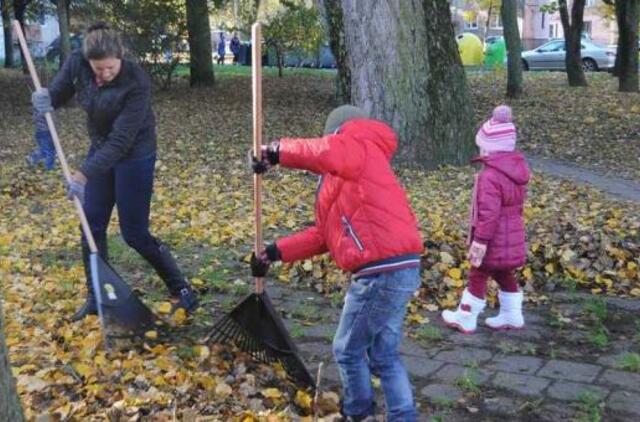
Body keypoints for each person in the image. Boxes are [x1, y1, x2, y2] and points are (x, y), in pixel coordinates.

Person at [250, 105, 424, 422]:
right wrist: (275, 252)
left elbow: (329, 151)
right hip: (400, 267)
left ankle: (358, 414)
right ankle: (403, 415)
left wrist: (277, 151)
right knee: (383, 353)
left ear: (337, 132)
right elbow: (323, 235)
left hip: (380, 271)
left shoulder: (357, 142)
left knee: (347, 349)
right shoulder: (350, 175)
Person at [31, 22, 199, 321]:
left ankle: (182, 289)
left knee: (134, 233)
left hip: (134, 154)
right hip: (100, 146)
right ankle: (96, 296)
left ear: (119, 56)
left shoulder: (136, 81)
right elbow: (57, 94)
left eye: (109, 68)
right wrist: (44, 99)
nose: (104, 74)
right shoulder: (77, 64)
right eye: (98, 69)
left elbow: (121, 141)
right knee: (90, 225)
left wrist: (83, 174)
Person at [442, 105, 530, 334]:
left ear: (490, 148)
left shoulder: (489, 176)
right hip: (511, 232)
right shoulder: (516, 171)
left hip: (492, 236)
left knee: (478, 272)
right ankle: (512, 314)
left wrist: (480, 240)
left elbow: (488, 213)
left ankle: (466, 316)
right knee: (503, 271)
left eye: (482, 145)